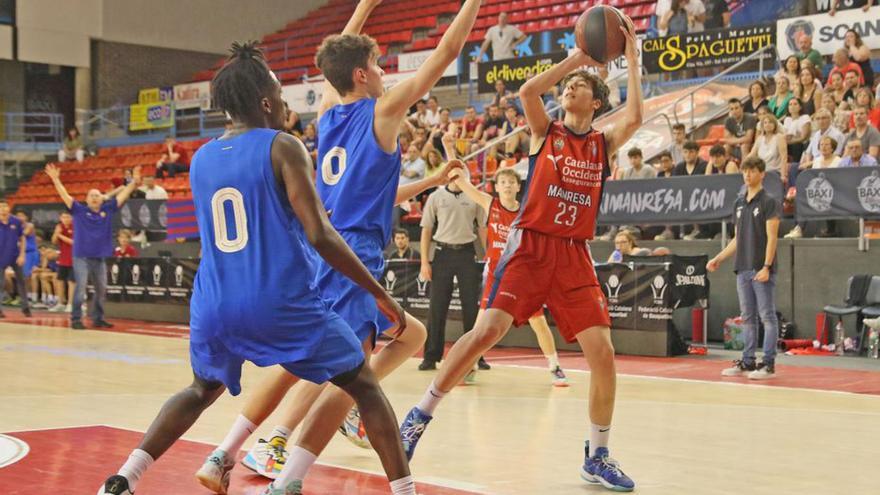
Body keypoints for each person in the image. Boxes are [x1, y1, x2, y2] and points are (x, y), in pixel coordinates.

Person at [97, 40, 415, 495]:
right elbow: (321, 235)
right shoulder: (283, 147)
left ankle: (123, 478)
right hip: (276, 299)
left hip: (213, 303)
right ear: (266, 103)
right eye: (282, 96)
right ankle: (406, 491)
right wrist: (380, 294)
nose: (286, 103)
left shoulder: (202, 158)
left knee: (197, 391)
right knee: (364, 386)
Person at [210, 2, 482, 491]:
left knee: (409, 335)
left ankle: (228, 449)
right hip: (352, 252)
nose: (382, 73)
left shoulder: (330, 112)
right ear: (363, 74)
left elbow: (335, 69)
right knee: (352, 371)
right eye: (377, 66)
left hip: (326, 247)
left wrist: (363, 8)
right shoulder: (383, 111)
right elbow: (448, 52)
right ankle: (284, 459)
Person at [399, 15, 642, 492]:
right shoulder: (544, 132)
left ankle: (598, 453)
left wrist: (630, 59)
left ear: (595, 101)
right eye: (567, 85)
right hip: (529, 246)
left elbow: (634, 117)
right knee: (485, 331)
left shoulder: (602, 144)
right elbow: (529, 92)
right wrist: (576, 58)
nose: (568, 89)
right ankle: (418, 414)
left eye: (578, 86)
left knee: (604, 354)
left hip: (573, 254)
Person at [447, 165, 570, 386]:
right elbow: (463, 182)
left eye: (511, 182)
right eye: (503, 182)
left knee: (539, 323)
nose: (507, 185)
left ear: (518, 187)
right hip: (497, 274)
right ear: (496, 187)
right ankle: (469, 366)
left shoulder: (528, 210)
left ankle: (555, 367)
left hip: (522, 275)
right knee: (481, 326)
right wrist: (448, 148)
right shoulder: (490, 203)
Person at [708, 156, 780, 380]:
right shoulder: (739, 202)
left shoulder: (769, 201)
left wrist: (767, 266)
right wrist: (719, 258)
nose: (747, 175)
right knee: (748, 317)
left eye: (752, 171)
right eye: (745, 171)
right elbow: (737, 238)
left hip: (760, 268)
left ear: (762, 174)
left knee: (767, 316)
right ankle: (748, 361)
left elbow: (772, 237)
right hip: (742, 268)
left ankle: (768, 363)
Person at [45, 163, 141, 330]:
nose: (95, 197)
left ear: (102, 198)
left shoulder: (108, 209)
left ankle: (98, 318)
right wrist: (55, 179)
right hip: (81, 256)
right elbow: (64, 195)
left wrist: (134, 182)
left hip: (99, 257)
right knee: (80, 287)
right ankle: (76, 318)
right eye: (91, 195)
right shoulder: (79, 210)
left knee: (101, 289)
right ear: (87, 199)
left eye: (97, 195)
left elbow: (124, 194)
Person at [418, 167, 486, 371]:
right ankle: (431, 356)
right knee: (437, 307)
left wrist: (491, 255)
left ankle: (476, 356)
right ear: (448, 174)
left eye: (461, 172)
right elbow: (426, 230)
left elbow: (482, 228)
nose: (457, 176)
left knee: (472, 308)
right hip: (442, 253)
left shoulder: (474, 196)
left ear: (466, 175)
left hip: (467, 253)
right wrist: (424, 261)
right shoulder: (436, 197)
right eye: (454, 172)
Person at [0, 199, 31, 318]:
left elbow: (22, 238)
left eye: (5, 207)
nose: (3, 209)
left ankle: (26, 307)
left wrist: (22, 254)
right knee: (0, 283)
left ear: (9, 208)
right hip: (1, 255)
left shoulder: (16, 221)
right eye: (0, 207)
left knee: (21, 281)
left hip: (15, 255)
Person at [748, 114, 788, 182]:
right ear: (762, 126)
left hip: (775, 173)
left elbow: (784, 158)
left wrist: (783, 175)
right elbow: (751, 155)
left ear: (775, 124)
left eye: (770, 122)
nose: (767, 124)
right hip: (761, 173)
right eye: (765, 123)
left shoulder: (779, 137)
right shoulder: (759, 139)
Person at [49, 211, 75, 313]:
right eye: (63, 217)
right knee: (59, 280)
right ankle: (60, 303)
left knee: (71, 281)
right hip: (63, 259)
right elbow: (54, 241)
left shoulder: (76, 226)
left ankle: (70, 304)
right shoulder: (59, 227)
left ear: (72, 217)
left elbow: (73, 242)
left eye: (67, 217)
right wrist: (56, 233)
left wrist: (60, 235)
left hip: (74, 259)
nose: (65, 219)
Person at [14, 211, 40, 306]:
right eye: (17, 216)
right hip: (21, 253)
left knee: (28, 276)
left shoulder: (30, 225)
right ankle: (24, 296)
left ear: (26, 217)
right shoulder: (15, 226)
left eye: (21, 215)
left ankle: (33, 298)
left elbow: (22, 235)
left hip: (31, 253)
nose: (19, 217)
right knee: (21, 276)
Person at [782, 98, 811, 164]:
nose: (792, 106)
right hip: (789, 143)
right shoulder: (787, 119)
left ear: (800, 107)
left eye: (795, 104)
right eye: (790, 104)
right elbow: (786, 135)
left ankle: (796, 164)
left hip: (801, 144)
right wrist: (793, 137)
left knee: (796, 145)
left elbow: (803, 137)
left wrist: (791, 140)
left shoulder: (805, 118)